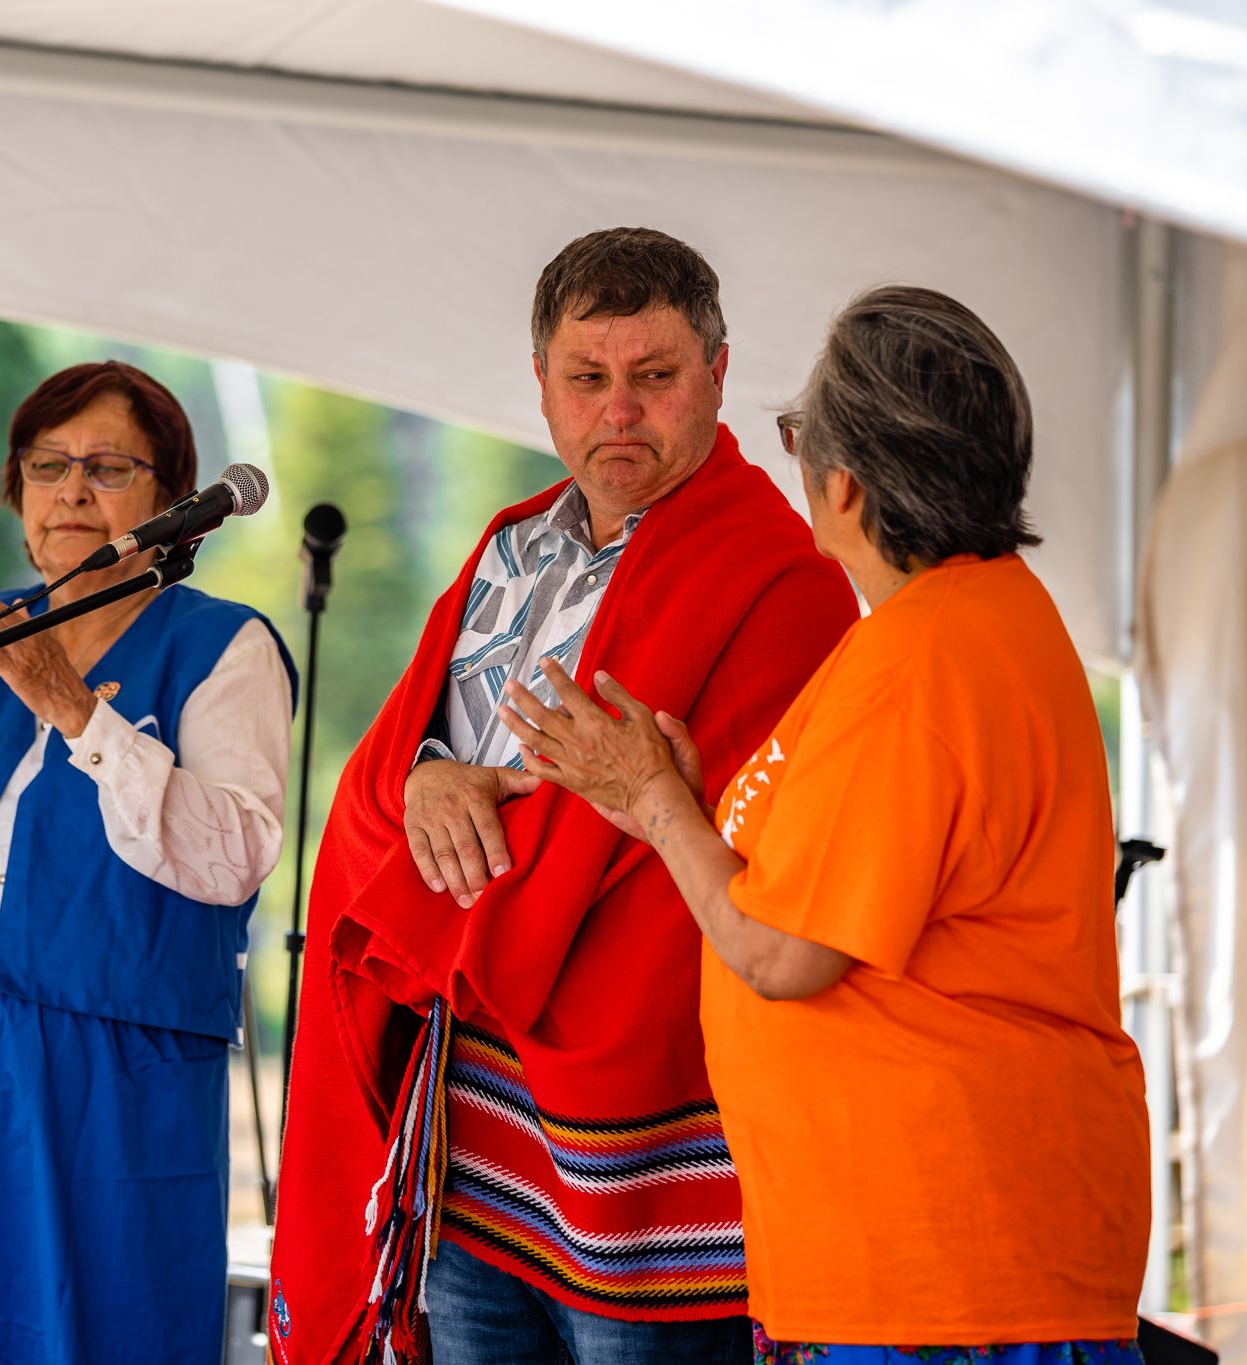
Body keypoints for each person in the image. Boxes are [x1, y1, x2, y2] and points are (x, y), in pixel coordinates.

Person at [502, 285, 1150, 1364]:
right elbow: (821, 880)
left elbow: (783, 954)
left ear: (843, 482)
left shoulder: (921, 661)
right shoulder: (959, 621)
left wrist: (658, 808)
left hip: (945, 1286)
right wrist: (680, 808)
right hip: (931, 1271)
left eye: (796, 437)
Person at [269, 228, 859, 1365]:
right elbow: (383, 780)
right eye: (586, 380)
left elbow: (704, 849)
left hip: (653, 1160)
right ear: (540, 383)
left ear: (718, 376)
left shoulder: (787, 581)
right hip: (475, 1145)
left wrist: (480, 829)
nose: (618, 414)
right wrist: (429, 780)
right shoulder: (506, 545)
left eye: (654, 378)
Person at [0, 360, 296, 1363]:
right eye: (47, 465)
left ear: (171, 504)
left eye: (108, 467)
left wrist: (73, 707)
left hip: (112, 1066)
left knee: (85, 1330)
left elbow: (235, 854)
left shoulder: (223, 645)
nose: (71, 490)